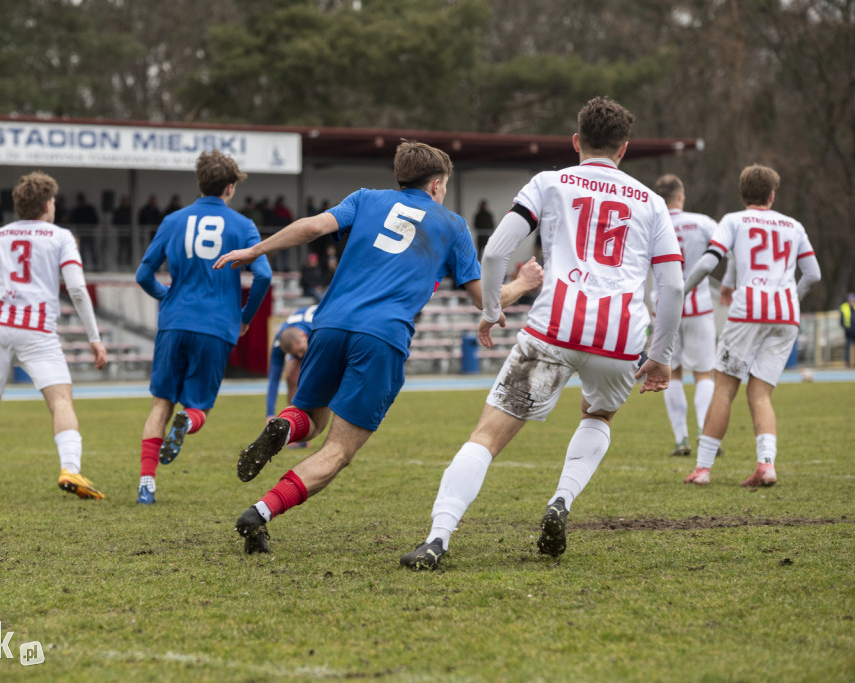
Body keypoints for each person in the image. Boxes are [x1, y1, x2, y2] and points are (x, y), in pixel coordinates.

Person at [214, 139, 543, 556]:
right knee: (338, 450)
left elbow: (312, 227)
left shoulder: (366, 199)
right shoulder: (454, 225)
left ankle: (284, 428)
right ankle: (260, 512)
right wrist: (525, 283)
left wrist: (254, 250)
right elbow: (485, 299)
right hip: (382, 336)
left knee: (310, 417)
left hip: (329, 324)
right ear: (437, 184)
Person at [399, 97, 685, 569]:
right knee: (598, 417)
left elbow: (494, 252)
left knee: (487, 436)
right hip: (619, 336)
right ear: (624, 149)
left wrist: (492, 309)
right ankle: (561, 502)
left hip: (554, 327)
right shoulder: (651, 202)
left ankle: (438, 538)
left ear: (576, 141)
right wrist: (661, 355)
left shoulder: (549, 183)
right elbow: (672, 284)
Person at [0, 171, 108, 500]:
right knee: (60, 401)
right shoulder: (61, 237)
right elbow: (76, 288)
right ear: (48, 204)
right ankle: (70, 469)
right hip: (37, 330)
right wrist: (94, 337)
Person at [135, 150, 272, 505]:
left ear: (199, 183)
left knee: (159, 404)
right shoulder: (243, 226)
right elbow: (263, 275)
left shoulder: (173, 221)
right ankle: (190, 420)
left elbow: (143, 274)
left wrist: (166, 296)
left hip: (174, 321)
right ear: (230, 187)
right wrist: (244, 317)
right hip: (216, 325)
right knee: (200, 408)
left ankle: (146, 485)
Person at [682, 164, 820, 487]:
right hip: (785, 315)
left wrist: (681, 290)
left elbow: (709, 261)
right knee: (760, 394)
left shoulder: (734, 220)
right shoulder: (794, 225)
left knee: (724, 389)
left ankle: (703, 469)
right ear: (772, 195)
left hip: (748, 312)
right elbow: (813, 274)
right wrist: (792, 299)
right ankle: (766, 464)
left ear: (743, 194)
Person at [653, 174, 720, 457]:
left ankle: (681, 440)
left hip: (665, 310)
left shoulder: (652, 223)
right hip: (699, 307)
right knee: (705, 374)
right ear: (680, 196)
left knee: (673, 374)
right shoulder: (703, 222)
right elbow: (724, 249)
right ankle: (705, 436)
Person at [265, 305, 316, 444]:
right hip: (307, 339)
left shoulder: (317, 330)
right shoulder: (279, 343)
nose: (300, 356)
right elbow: (274, 379)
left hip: (323, 336)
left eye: (300, 350)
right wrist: (269, 414)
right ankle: (298, 430)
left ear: (303, 337)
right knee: (291, 375)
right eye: (295, 354)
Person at [69, 193, 100, 270]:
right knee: (82, 252)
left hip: (89, 232)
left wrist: (91, 227)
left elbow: (95, 219)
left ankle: (95, 267)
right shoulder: (77, 210)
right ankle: (83, 267)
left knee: (92, 250)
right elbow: (73, 220)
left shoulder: (89, 209)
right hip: (81, 233)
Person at [112, 195, 133, 267]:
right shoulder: (118, 211)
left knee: (130, 250)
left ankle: (129, 264)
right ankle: (120, 264)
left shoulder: (130, 211)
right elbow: (114, 221)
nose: (124, 202)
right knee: (121, 249)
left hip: (130, 233)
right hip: (121, 233)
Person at [840, 293, 855, 369]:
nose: (852, 302)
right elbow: (841, 321)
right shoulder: (844, 308)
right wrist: (846, 329)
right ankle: (847, 364)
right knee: (848, 349)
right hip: (848, 332)